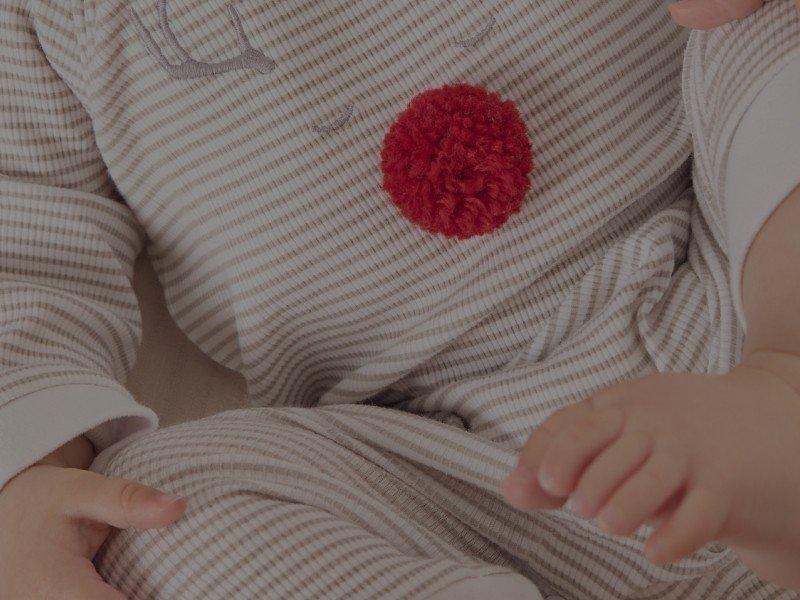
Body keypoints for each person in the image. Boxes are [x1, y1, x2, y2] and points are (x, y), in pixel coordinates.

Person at [1, 1, 798, 598]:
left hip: (730, 264)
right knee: (147, 518)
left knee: (775, 36)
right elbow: (21, 247)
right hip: (443, 471)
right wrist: (23, 483)